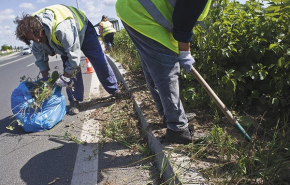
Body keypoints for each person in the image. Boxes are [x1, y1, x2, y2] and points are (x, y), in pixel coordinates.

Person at [115, 0, 212, 144]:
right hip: (142, 13)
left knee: (155, 67)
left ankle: (169, 116)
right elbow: (184, 18)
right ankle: (177, 129)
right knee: (167, 70)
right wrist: (185, 51)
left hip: (136, 10)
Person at [14, 4, 119, 115]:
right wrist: (46, 82)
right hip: (62, 38)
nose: (37, 39)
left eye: (38, 36)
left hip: (82, 28)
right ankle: (74, 100)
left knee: (98, 60)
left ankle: (114, 90)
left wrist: (65, 78)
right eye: (32, 39)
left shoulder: (61, 29)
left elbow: (74, 58)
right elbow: (41, 60)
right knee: (71, 70)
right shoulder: (35, 37)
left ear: (40, 27)